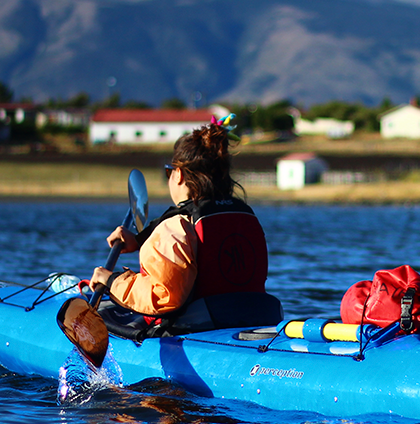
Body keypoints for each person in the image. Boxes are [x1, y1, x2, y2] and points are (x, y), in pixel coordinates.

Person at [88, 115, 281, 338]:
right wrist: (139, 240)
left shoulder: (176, 226)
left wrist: (111, 280)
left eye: (169, 172)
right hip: (254, 321)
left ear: (178, 174)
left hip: (200, 330)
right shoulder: (245, 215)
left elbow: (164, 297)